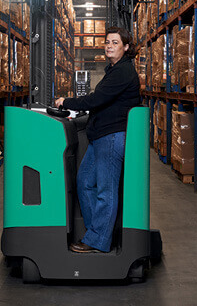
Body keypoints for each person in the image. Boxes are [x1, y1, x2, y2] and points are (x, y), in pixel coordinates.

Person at [55, 26, 141, 253]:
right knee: (84, 182)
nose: (109, 46)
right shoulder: (113, 70)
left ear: (126, 47)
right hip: (99, 137)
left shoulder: (123, 71)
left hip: (111, 137)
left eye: (115, 42)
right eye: (108, 42)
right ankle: (99, 233)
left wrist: (67, 102)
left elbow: (97, 100)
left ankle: (98, 239)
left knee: (105, 191)